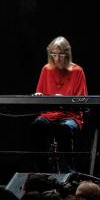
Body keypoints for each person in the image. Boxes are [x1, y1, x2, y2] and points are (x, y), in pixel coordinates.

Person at [31, 36, 88, 172]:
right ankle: (43, 171)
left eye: (61, 55)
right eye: (54, 55)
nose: (57, 59)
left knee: (64, 129)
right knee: (36, 127)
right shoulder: (46, 69)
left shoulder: (77, 71)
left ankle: (67, 171)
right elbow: (40, 95)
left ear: (67, 54)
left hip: (71, 116)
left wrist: (64, 99)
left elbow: (82, 101)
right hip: (50, 115)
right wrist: (39, 96)